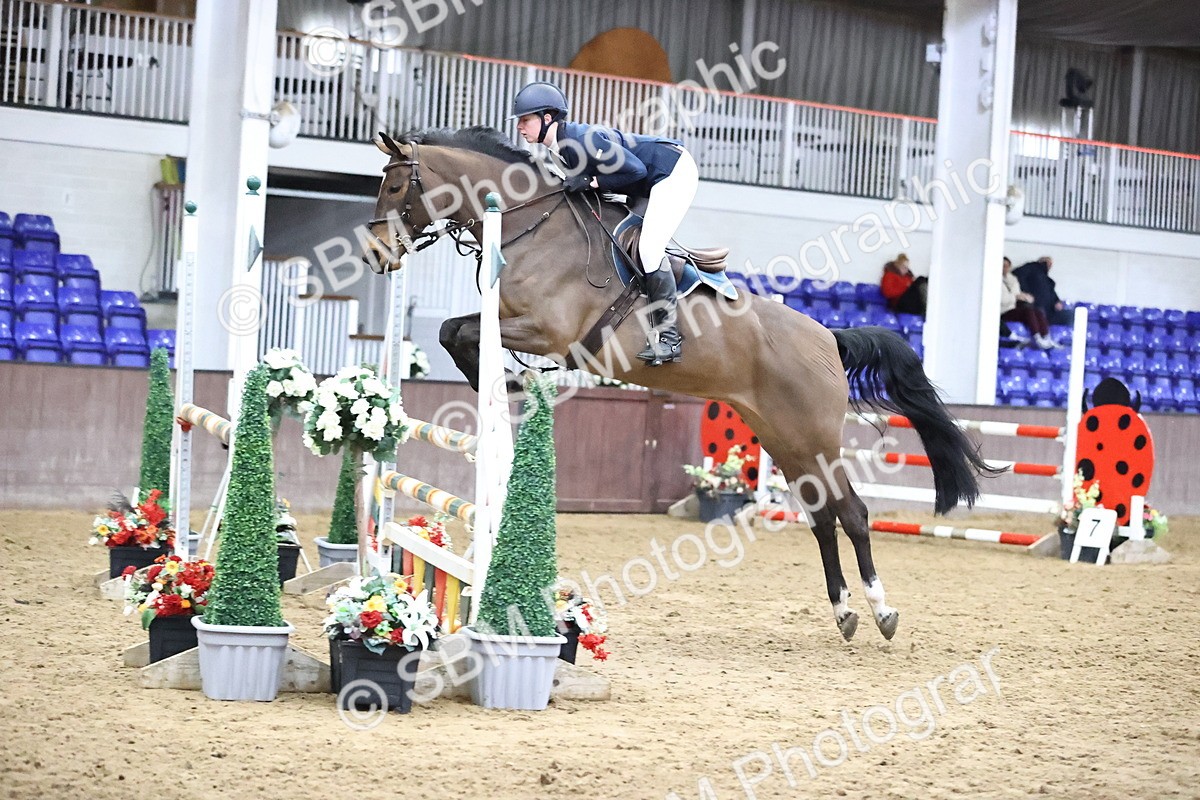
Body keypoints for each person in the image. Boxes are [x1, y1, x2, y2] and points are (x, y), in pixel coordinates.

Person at [511, 81, 698, 366]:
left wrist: (591, 181)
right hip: (645, 183)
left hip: (671, 172)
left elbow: (635, 170)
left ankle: (669, 338)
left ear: (547, 118)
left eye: (525, 120)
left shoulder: (582, 140)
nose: (519, 127)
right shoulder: (557, 151)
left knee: (649, 249)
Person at [1001, 257, 1057, 349]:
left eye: (1007, 266)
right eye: (1003, 266)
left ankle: (1046, 337)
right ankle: (1036, 338)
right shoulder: (994, 281)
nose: (1005, 268)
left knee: (1037, 311)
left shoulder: (1013, 279)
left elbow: (1017, 293)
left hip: (1013, 308)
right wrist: (1016, 297)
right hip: (1003, 311)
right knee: (1028, 311)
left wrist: (1024, 297)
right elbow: (1002, 299)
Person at [1012, 256, 1071, 325]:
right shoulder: (1032, 267)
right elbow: (1017, 274)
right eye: (1047, 262)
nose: (1049, 265)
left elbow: (1052, 293)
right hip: (1036, 308)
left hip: (1050, 311)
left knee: (1070, 315)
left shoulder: (1047, 279)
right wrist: (1025, 293)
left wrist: (1057, 301)